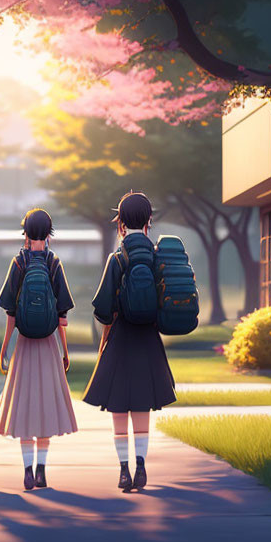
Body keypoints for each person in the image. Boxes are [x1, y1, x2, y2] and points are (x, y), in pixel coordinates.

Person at [82, 192, 176, 492]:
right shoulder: (160, 257)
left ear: (120, 221)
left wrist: (105, 336)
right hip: (148, 338)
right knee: (142, 408)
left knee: (119, 407)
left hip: (121, 338)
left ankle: (123, 470)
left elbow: (103, 309)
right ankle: (141, 466)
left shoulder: (117, 258)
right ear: (149, 220)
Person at [0, 208, 78, 490]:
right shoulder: (54, 264)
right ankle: (42, 470)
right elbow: (63, 318)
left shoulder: (19, 264)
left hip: (25, 344)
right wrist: (65, 351)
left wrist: (5, 348)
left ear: (25, 232)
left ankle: (27, 470)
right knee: (46, 407)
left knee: (25, 408)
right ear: (49, 233)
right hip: (49, 345)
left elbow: (11, 315)